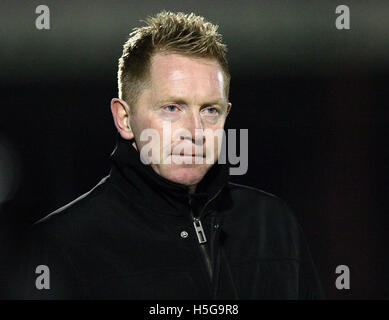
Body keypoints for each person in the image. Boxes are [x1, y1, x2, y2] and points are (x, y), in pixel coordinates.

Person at [16, 11, 324, 299]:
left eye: (210, 110)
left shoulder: (273, 224)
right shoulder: (62, 244)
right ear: (124, 119)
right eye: (172, 108)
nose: (195, 130)